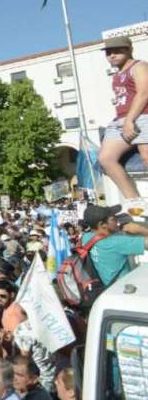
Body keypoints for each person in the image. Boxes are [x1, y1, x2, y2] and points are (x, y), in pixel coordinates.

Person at [98, 35, 148, 206]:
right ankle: (135, 202)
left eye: (117, 51)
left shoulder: (139, 66)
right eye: (108, 52)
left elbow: (144, 93)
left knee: (146, 158)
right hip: (119, 120)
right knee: (106, 158)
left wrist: (130, 120)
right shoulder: (117, 75)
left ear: (129, 50)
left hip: (141, 116)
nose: (111, 55)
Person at [80, 204, 148, 285]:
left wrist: (117, 229)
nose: (118, 221)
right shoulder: (115, 243)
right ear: (102, 225)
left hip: (107, 286)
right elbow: (114, 243)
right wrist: (140, 229)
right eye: (114, 219)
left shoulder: (86, 237)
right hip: (124, 288)